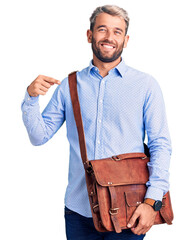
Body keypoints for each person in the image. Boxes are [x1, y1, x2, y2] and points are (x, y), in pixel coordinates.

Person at [21, 5, 172, 240]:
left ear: (126, 39)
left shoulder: (145, 85)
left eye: (117, 31)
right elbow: (39, 136)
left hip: (130, 209)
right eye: (102, 29)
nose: (109, 37)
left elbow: (160, 145)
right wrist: (31, 99)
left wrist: (152, 202)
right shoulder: (69, 86)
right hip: (79, 210)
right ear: (90, 35)